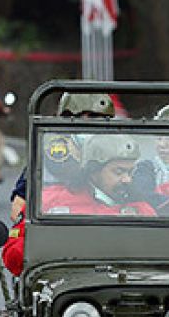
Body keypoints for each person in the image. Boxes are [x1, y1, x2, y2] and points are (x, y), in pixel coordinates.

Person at [2, 134, 153, 275]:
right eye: (119, 172)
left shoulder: (141, 209)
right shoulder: (51, 201)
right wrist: (54, 241)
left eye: (130, 173)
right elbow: (12, 258)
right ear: (94, 171)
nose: (127, 180)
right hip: (67, 286)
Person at [9, 92, 115, 221]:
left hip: (105, 223)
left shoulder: (116, 150)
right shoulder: (52, 153)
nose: (100, 125)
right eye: (93, 117)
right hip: (60, 225)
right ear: (69, 117)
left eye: (106, 119)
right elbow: (18, 208)